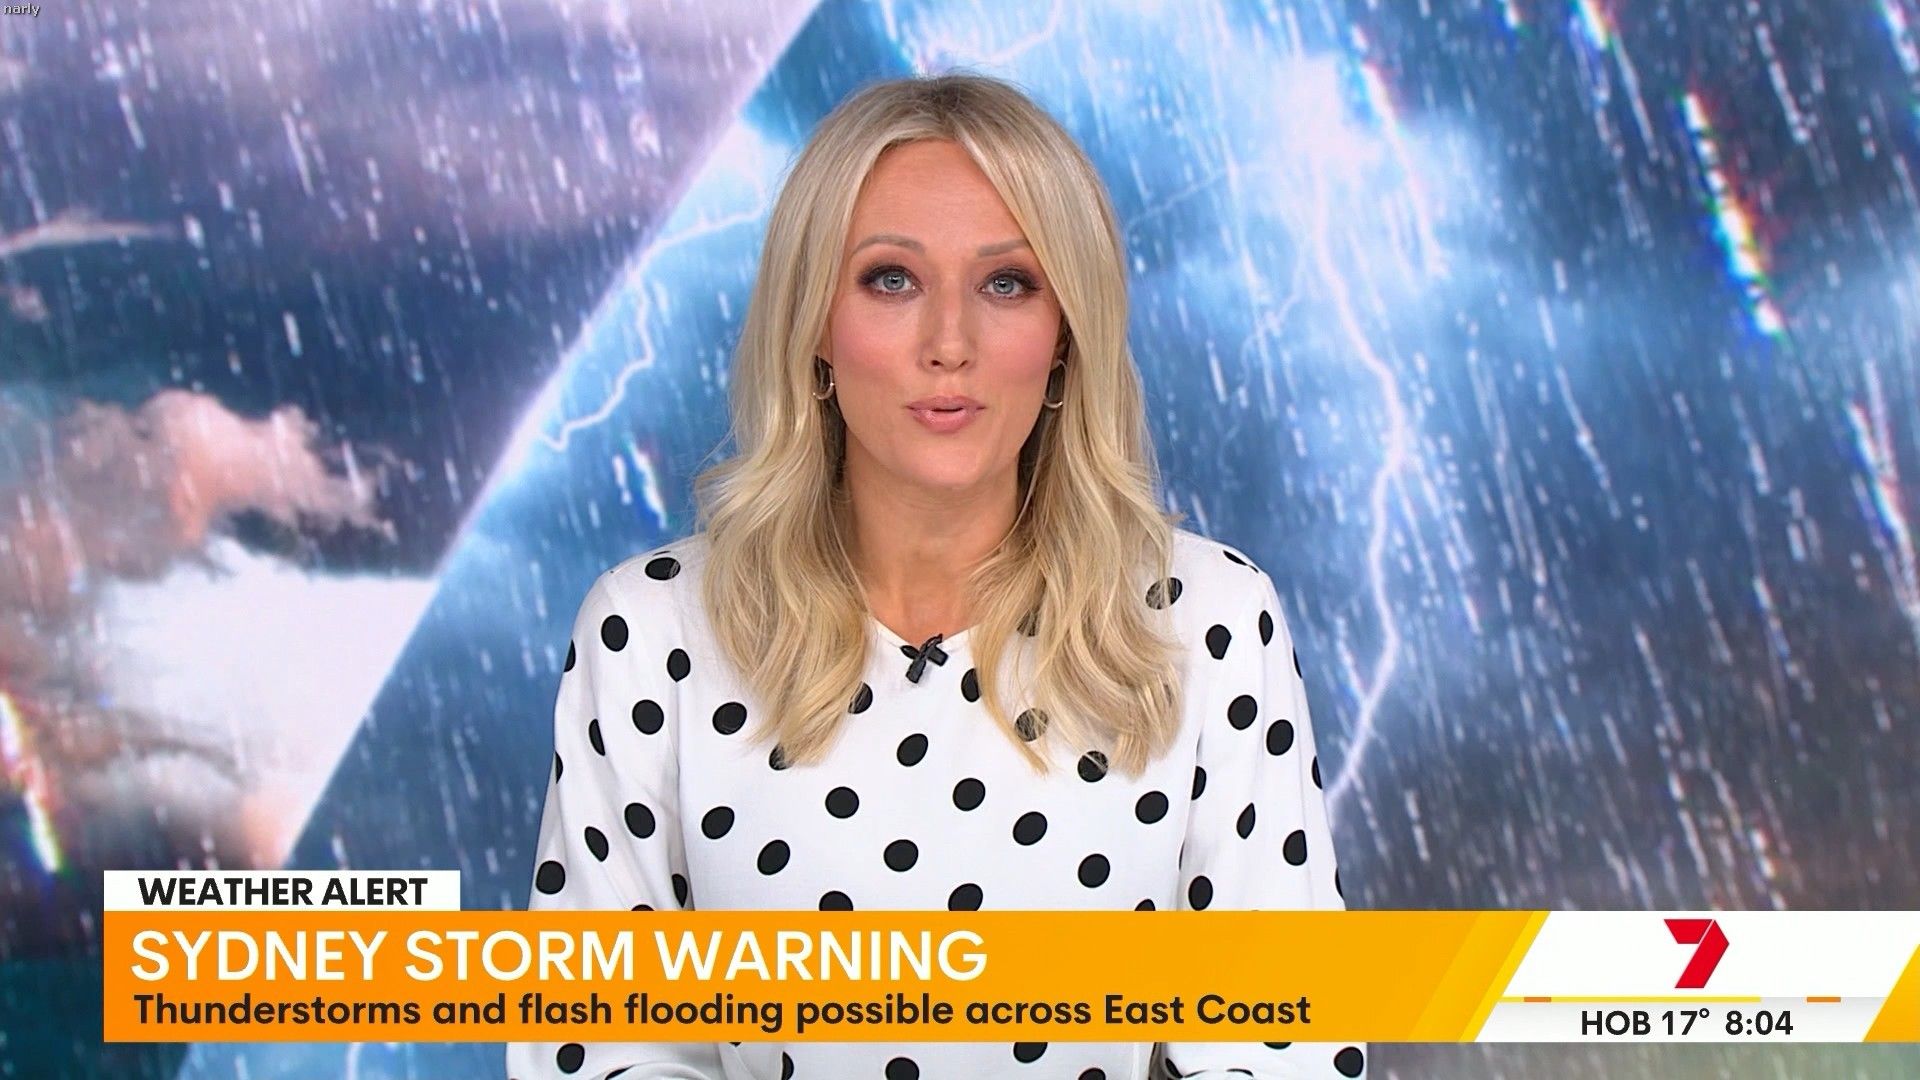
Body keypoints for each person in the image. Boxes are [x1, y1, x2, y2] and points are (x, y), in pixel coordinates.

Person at [507, 72, 1363, 1080]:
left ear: (1065, 336)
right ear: (813, 327)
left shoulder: (1206, 622)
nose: (948, 344)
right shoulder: (652, 632)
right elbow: (597, 1049)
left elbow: (1287, 1050)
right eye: (891, 280)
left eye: (1007, 284)